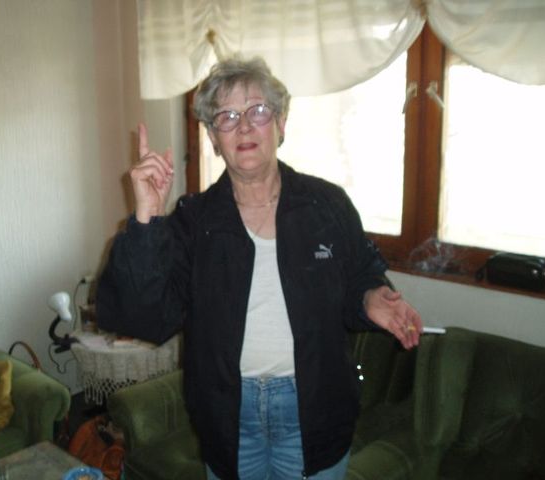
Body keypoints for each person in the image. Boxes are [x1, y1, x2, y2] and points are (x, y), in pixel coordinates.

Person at [96, 56, 422, 480]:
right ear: (213, 138)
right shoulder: (194, 220)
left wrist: (370, 297)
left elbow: (361, 276)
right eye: (227, 117)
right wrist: (146, 218)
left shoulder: (327, 205)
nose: (245, 126)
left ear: (281, 124)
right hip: (229, 417)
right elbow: (144, 319)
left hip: (315, 410)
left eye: (258, 110)